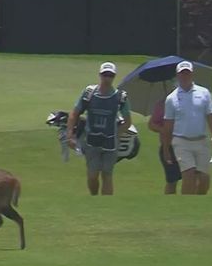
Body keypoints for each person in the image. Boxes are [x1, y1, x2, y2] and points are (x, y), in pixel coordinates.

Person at [67, 62, 132, 196]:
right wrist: (70, 135)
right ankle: (94, 198)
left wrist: (117, 135)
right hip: (92, 141)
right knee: (92, 175)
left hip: (110, 143)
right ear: (100, 75)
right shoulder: (89, 93)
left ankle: (106, 204)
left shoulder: (120, 97)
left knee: (107, 174)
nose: (107, 78)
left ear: (114, 77)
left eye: (110, 75)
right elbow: (74, 113)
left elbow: (128, 121)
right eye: (105, 75)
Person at [162, 61, 212, 195]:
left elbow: (211, 118)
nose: (185, 76)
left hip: (201, 141)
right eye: (182, 73)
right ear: (177, 75)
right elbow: (168, 126)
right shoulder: (171, 99)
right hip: (181, 142)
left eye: (187, 73)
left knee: (204, 180)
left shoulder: (204, 93)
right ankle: (186, 207)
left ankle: (198, 205)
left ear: (192, 74)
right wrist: (166, 149)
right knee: (189, 175)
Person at [148, 84, 182, 194]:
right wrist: (163, 129)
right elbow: (152, 124)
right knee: (172, 180)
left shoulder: (187, 103)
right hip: (167, 146)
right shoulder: (162, 104)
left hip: (185, 144)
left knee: (190, 177)